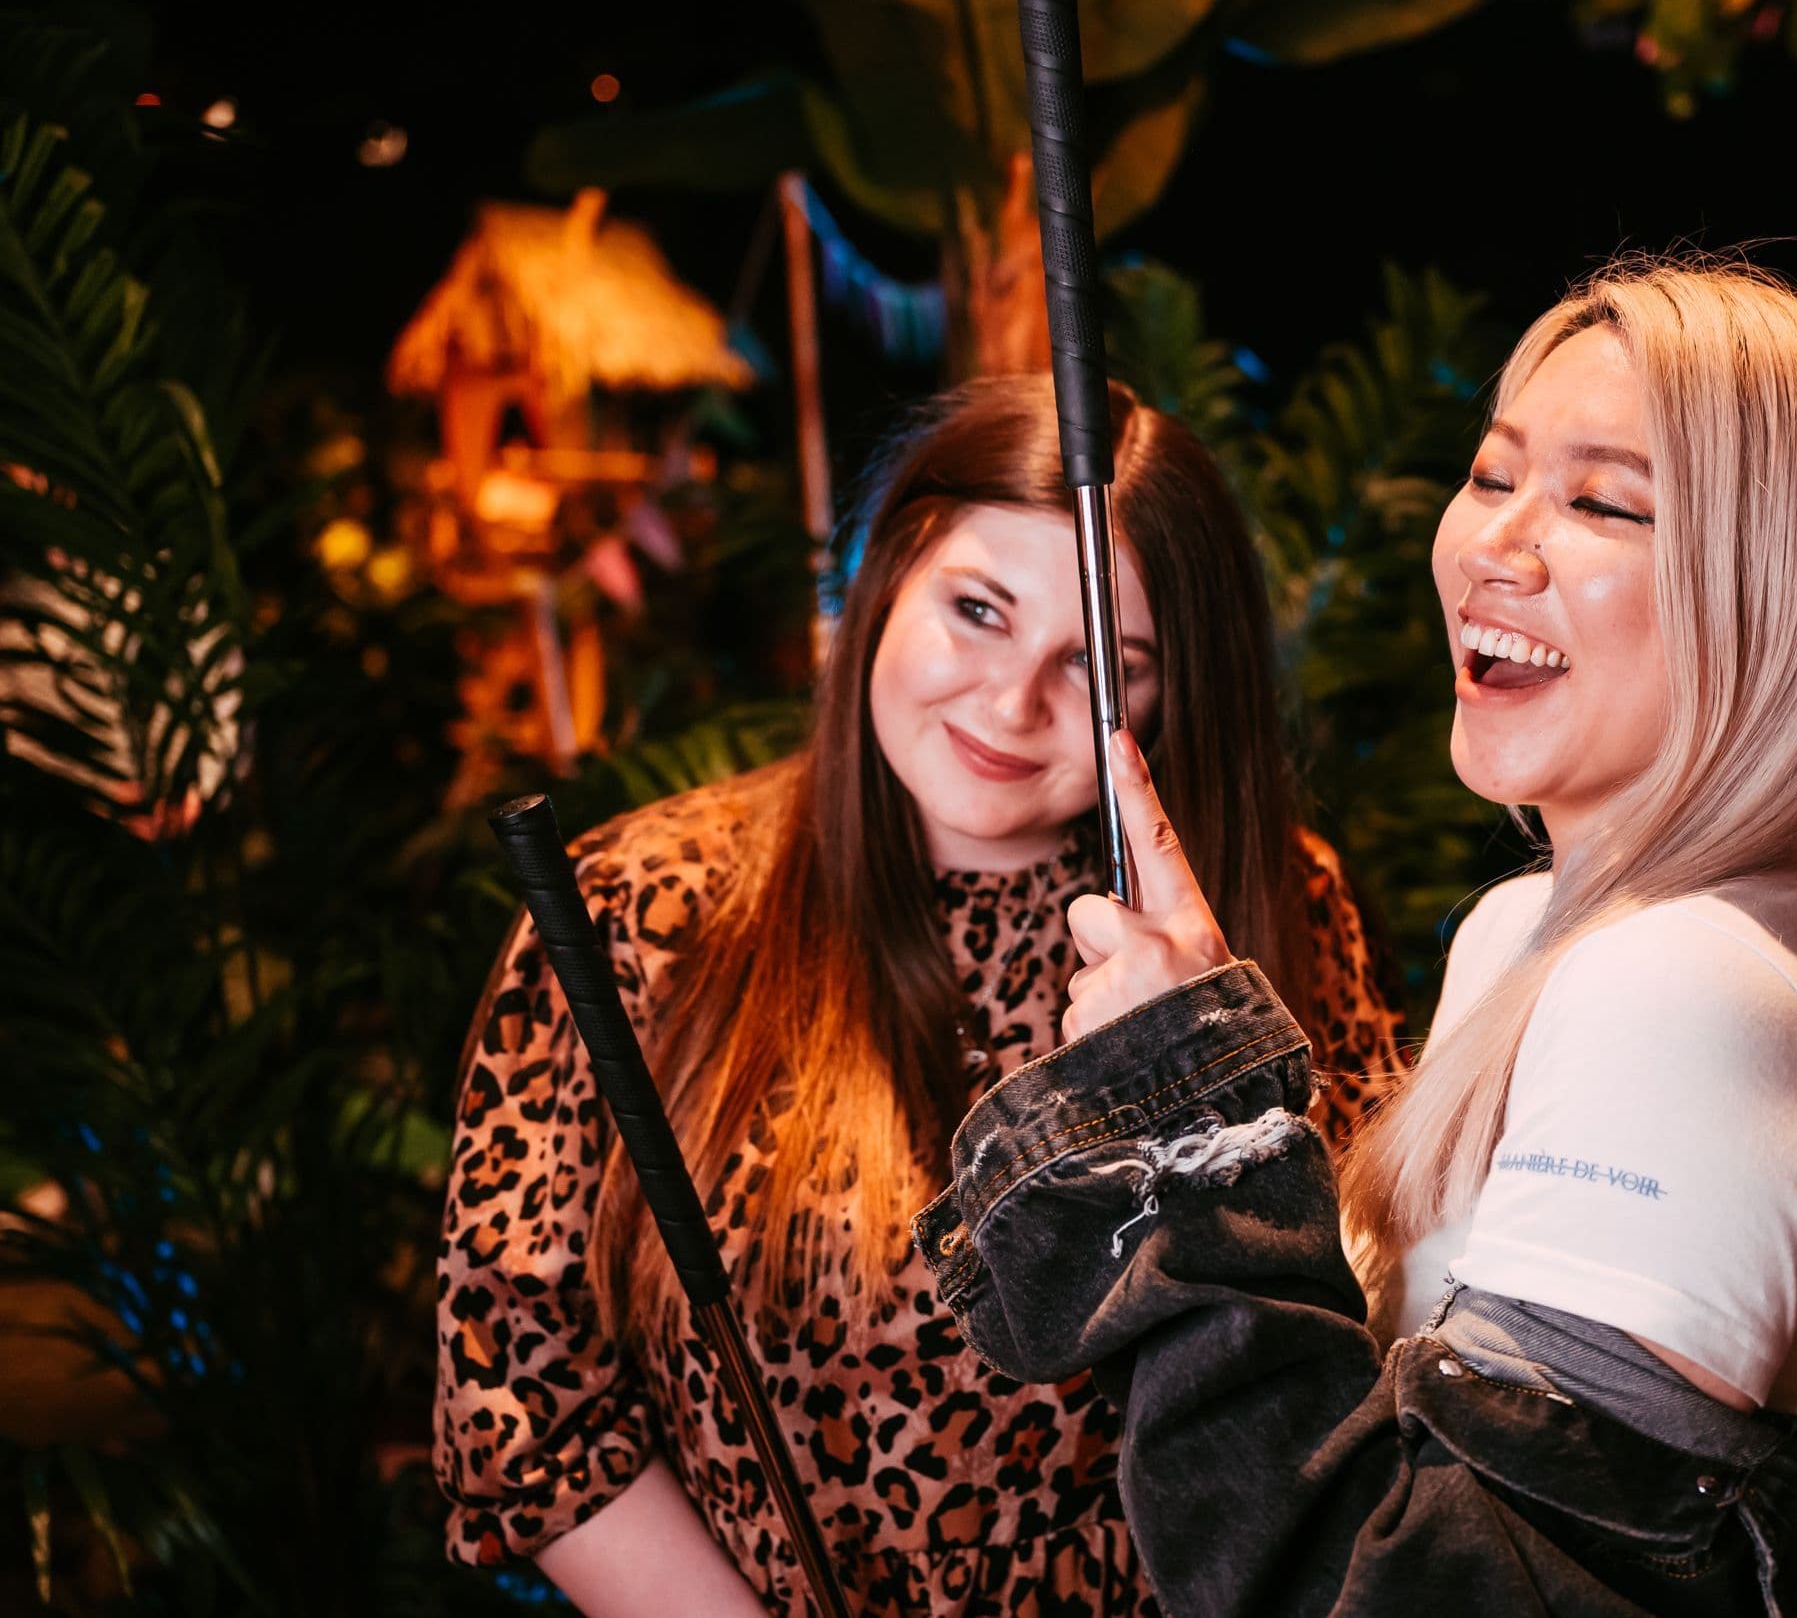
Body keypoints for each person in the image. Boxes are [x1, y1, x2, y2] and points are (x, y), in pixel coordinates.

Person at [913, 258, 1797, 1615]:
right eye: (1492, 475)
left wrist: (1197, 1125)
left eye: (1601, 501)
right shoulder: (1545, 932)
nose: (1494, 545)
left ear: (1782, 596)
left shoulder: (1691, 985)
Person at [433, 377, 1407, 1617]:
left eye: (1102, 668)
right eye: (979, 610)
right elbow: (528, 1411)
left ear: (1171, 697)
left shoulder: (1261, 906)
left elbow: (1358, 1322)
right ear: (888, 574)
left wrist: (1192, 1053)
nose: (1013, 703)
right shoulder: (641, 910)